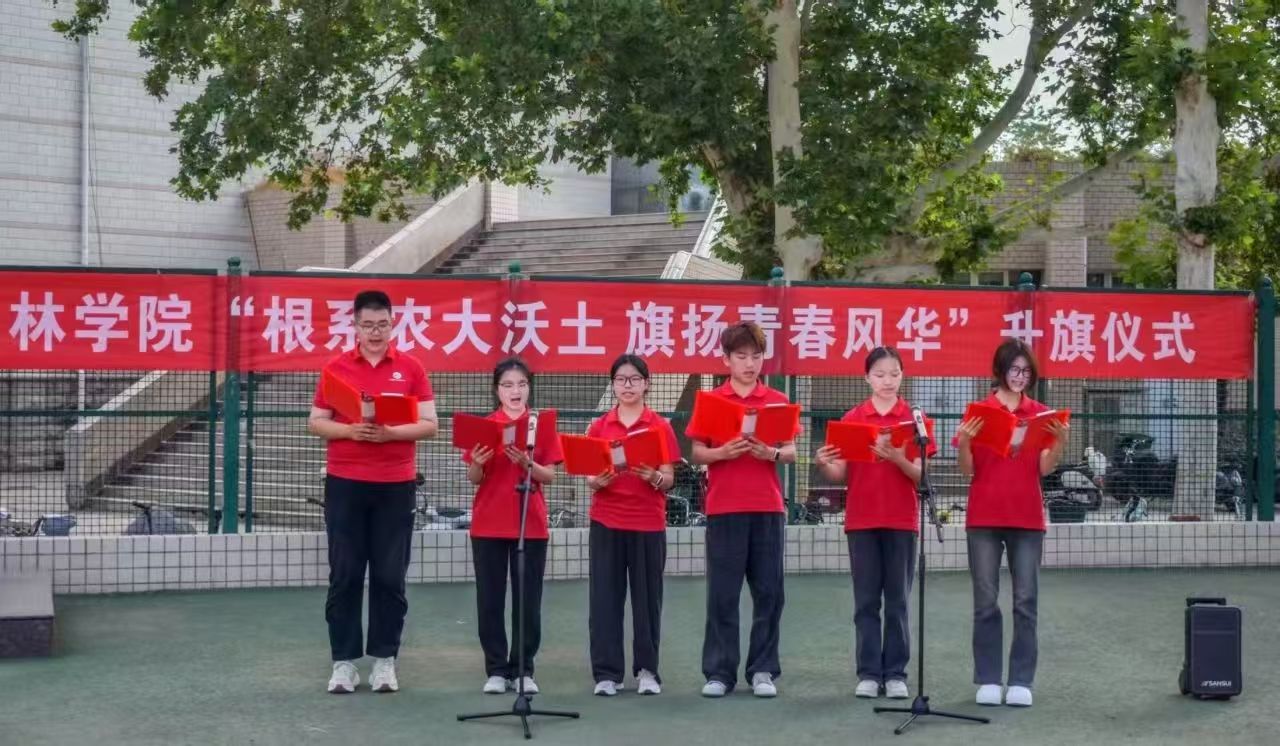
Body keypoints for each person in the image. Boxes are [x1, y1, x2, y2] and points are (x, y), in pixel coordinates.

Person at [308, 289, 438, 694]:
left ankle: (385, 660)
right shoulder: (336, 368)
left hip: (395, 485)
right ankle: (343, 663)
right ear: (355, 326)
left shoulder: (411, 368)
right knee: (345, 573)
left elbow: (430, 424)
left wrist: (390, 434)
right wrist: (350, 430)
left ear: (393, 324)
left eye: (382, 324)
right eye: (368, 325)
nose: (375, 332)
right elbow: (316, 421)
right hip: (345, 483)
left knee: (389, 575)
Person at [687, 321, 799, 699]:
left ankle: (763, 669)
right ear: (726, 360)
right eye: (741, 356)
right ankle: (720, 672)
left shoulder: (777, 400)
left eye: (756, 356)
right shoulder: (711, 401)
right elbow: (697, 452)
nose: (750, 364)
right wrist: (723, 452)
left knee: (769, 592)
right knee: (722, 593)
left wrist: (771, 453)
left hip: (768, 508)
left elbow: (791, 450)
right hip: (724, 508)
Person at [955, 338, 1068, 708]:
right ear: (1000, 371)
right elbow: (967, 470)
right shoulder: (980, 412)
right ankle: (989, 678)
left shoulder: (1040, 414)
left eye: (1026, 371)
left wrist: (1059, 442)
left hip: (1027, 517)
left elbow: (1043, 469)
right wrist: (965, 443)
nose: (1020, 377)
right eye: (1014, 370)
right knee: (985, 601)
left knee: (1025, 601)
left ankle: (1021, 680)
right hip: (984, 518)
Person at [814, 346, 932, 701]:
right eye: (879, 375)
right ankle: (868, 673)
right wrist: (823, 463)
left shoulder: (914, 420)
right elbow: (839, 474)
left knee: (898, 601)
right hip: (862, 521)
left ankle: (895, 673)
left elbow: (922, 476)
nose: (887, 381)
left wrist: (896, 457)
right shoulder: (853, 418)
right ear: (867, 378)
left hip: (901, 521)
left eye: (894, 374)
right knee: (866, 601)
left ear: (902, 375)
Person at [464, 357, 563, 696]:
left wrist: (528, 463)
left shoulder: (540, 425)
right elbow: (474, 477)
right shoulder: (485, 426)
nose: (515, 391)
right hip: (488, 524)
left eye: (521, 384)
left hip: (529, 524)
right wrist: (477, 462)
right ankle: (495, 669)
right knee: (490, 600)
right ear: (497, 390)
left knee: (528, 600)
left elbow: (549, 475)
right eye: (507, 385)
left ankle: (523, 669)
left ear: (529, 388)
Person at [584, 354, 681, 697]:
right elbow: (590, 477)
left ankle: (647, 671)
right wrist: (598, 480)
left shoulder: (659, 426)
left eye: (634, 379)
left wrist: (653, 476)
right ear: (613, 384)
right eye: (621, 379)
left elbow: (669, 477)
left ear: (646, 384)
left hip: (647, 523)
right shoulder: (600, 426)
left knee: (647, 600)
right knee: (605, 599)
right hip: (606, 522)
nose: (627, 385)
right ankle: (607, 674)